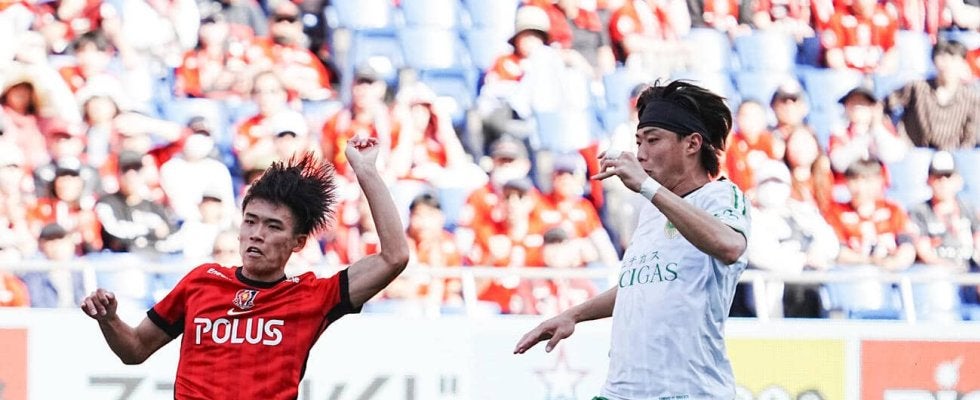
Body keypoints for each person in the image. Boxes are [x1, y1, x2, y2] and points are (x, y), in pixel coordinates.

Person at [79, 141, 409, 399]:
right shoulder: (201, 281)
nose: (257, 234)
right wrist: (109, 320)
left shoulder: (313, 295)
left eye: (273, 226)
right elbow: (135, 350)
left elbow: (394, 257)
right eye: (250, 221)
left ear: (297, 242)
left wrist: (366, 171)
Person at [515, 80, 750, 400]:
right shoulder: (652, 209)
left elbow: (731, 246)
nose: (640, 154)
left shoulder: (720, 195)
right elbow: (638, 284)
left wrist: (648, 188)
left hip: (687, 392)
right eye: (638, 142)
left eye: (653, 140)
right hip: (622, 391)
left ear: (692, 144)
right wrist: (573, 315)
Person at [885, 40, 980, 150]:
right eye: (942, 58)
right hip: (915, 151)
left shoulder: (971, 99)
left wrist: (959, 153)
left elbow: (971, 135)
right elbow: (885, 104)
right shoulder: (917, 88)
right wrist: (898, 135)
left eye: (953, 59)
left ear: (963, 63)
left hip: (954, 154)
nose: (948, 65)